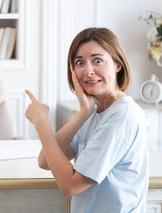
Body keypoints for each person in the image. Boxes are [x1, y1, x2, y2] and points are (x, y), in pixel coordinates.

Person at [25, 27, 149, 212]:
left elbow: (70, 186)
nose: (88, 71)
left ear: (117, 65)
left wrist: (42, 123)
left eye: (97, 60)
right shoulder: (95, 113)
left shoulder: (122, 117)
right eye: (80, 63)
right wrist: (84, 112)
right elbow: (45, 161)